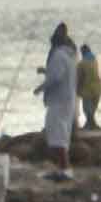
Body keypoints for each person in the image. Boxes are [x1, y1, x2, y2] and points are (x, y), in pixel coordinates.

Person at [33, 23, 77, 178]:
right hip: (67, 101)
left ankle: (65, 170)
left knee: (57, 137)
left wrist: (40, 88)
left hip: (59, 102)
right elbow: (60, 74)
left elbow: (56, 77)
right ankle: (60, 169)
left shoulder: (58, 55)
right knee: (61, 136)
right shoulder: (69, 56)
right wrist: (46, 71)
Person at [76, 43, 101, 129]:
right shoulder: (94, 61)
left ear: (82, 52)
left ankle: (92, 125)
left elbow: (79, 78)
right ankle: (90, 125)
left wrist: (76, 89)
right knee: (92, 110)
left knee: (87, 110)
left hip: (88, 90)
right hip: (98, 88)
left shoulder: (82, 64)